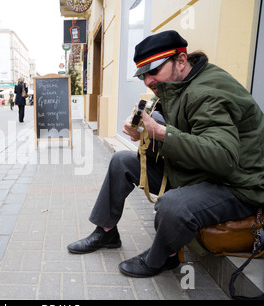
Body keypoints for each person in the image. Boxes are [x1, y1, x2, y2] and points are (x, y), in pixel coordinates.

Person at [67, 30, 264, 278]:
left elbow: (222, 157)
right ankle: (106, 231)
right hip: (202, 173)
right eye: (143, 75)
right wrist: (145, 135)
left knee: (172, 205)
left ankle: (164, 257)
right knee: (122, 161)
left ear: (181, 60)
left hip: (236, 186)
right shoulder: (179, 84)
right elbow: (190, 140)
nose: (148, 81)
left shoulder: (208, 93)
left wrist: (160, 132)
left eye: (154, 71)